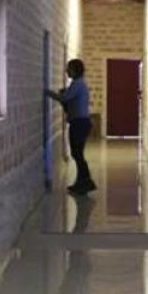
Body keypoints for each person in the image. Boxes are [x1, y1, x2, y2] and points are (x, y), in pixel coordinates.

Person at [46, 59, 96, 195]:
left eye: (69, 68)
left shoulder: (78, 84)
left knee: (77, 154)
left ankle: (86, 182)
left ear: (75, 70)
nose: (66, 71)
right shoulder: (77, 84)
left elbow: (64, 99)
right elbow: (68, 101)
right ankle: (82, 182)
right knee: (77, 153)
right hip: (79, 122)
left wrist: (48, 93)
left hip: (80, 123)